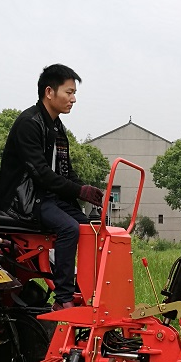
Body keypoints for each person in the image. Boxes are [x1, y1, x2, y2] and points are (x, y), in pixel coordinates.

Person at [0, 64, 104, 310]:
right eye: (69, 92)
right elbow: (41, 174)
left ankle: (91, 291)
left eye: (74, 93)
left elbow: (65, 171)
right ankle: (63, 299)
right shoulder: (29, 123)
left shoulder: (56, 126)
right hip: (24, 201)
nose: (73, 99)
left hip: (47, 197)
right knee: (69, 229)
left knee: (92, 228)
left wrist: (86, 189)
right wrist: (78, 192)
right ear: (49, 92)